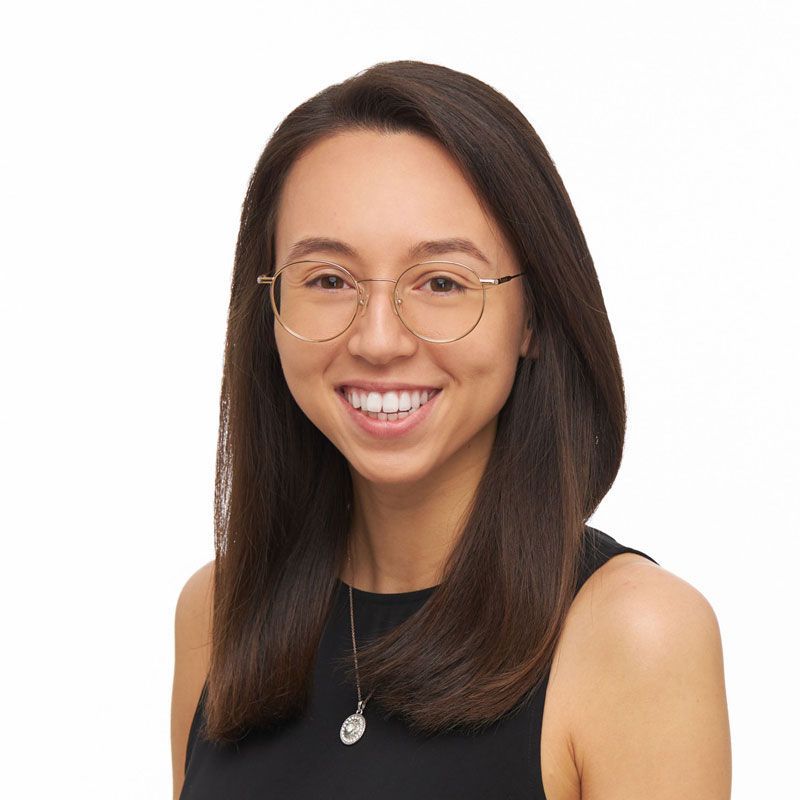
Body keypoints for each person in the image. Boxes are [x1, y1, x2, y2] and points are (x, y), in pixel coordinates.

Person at [171, 60, 731, 799]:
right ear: (269, 307)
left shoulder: (635, 634)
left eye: (442, 282)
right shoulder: (220, 610)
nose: (378, 339)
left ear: (533, 316)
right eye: (329, 280)